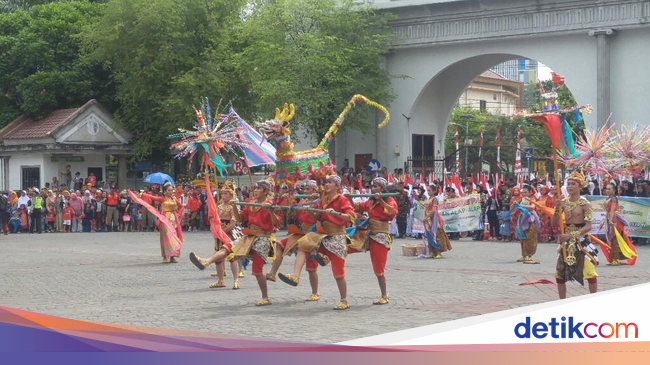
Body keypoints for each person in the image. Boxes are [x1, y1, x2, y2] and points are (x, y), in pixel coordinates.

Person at [189, 180, 280, 306]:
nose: (255, 190)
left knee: (257, 271)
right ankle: (206, 261)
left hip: (262, 238)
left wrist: (270, 210)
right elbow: (240, 219)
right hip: (249, 236)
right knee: (227, 247)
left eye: (258, 188)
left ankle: (265, 297)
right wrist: (234, 207)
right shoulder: (251, 204)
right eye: (255, 188)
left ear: (265, 191)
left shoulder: (269, 204)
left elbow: (277, 224)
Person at [277, 175, 357, 310]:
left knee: (338, 273)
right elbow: (318, 218)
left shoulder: (342, 199)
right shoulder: (323, 200)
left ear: (337, 186)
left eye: (330, 182)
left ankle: (344, 300)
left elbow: (351, 217)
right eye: (326, 182)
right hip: (323, 234)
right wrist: (311, 212)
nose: (326, 185)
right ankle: (295, 276)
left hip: (336, 236)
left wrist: (336, 213)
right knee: (303, 244)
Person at [265, 180, 321, 301]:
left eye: (308, 189)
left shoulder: (318, 201)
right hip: (301, 232)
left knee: (311, 268)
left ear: (315, 190)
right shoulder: (302, 200)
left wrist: (312, 205)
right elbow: (293, 214)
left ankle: (314, 292)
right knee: (279, 245)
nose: (305, 192)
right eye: (305, 189)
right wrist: (289, 202)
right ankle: (273, 273)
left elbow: (318, 218)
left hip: (313, 234)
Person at [351, 177, 398, 304]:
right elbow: (358, 207)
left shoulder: (390, 199)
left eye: (377, 186)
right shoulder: (370, 201)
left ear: (383, 189)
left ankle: (384, 295)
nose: (373, 188)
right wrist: (348, 198)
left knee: (378, 268)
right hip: (368, 233)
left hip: (380, 236)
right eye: (373, 186)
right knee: (349, 244)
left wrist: (381, 201)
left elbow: (392, 213)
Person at [552, 171, 598, 299]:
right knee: (559, 274)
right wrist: (556, 209)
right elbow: (553, 223)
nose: (570, 187)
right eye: (568, 184)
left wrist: (571, 235)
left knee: (590, 272)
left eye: (573, 184)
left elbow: (588, 226)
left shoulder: (585, 204)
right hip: (566, 240)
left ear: (580, 186)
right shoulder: (563, 202)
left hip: (581, 240)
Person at [134, 184, 184, 263]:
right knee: (165, 238)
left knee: (174, 237)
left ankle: (172, 256)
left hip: (174, 220)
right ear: (165, 191)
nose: (171, 192)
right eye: (169, 190)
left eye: (172, 190)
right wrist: (142, 194)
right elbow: (152, 197)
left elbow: (181, 206)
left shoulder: (174, 199)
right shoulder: (162, 199)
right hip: (165, 220)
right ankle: (165, 256)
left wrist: (178, 214)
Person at [209, 181, 244, 290]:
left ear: (231, 195)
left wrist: (223, 231)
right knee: (218, 258)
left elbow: (233, 223)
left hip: (229, 234)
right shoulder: (219, 206)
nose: (223, 196)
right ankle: (220, 280)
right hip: (219, 233)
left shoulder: (233, 207)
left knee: (231, 257)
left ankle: (235, 280)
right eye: (222, 193)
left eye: (226, 194)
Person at [602, 181, 637, 266]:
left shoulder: (614, 198)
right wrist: (604, 221)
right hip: (609, 218)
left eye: (609, 189)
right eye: (607, 189)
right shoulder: (609, 198)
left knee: (615, 239)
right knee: (612, 239)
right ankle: (615, 258)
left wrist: (610, 221)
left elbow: (613, 210)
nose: (607, 190)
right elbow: (608, 211)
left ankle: (616, 259)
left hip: (614, 220)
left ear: (614, 190)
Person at [424, 186, 452, 259]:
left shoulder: (434, 199)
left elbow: (434, 210)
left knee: (437, 235)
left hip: (434, 219)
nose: (428, 192)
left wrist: (427, 217)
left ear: (434, 191)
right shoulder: (428, 199)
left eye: (429, 190)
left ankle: (438, 252)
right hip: (428, 219)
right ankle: (431, 252)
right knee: (429, 235)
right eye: (427, 190)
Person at [515, 185, 540, 264]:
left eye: (525, 192)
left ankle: (530, 255)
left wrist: (521, 206)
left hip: (530, 219)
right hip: (522, 219)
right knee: (523, 237)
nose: (524, 194)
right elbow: (515, 206)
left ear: (530, 192)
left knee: (530, 237)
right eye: (522, 192)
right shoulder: (521, 199)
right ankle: (524, 254)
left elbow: (532, 207)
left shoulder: (532, 199)